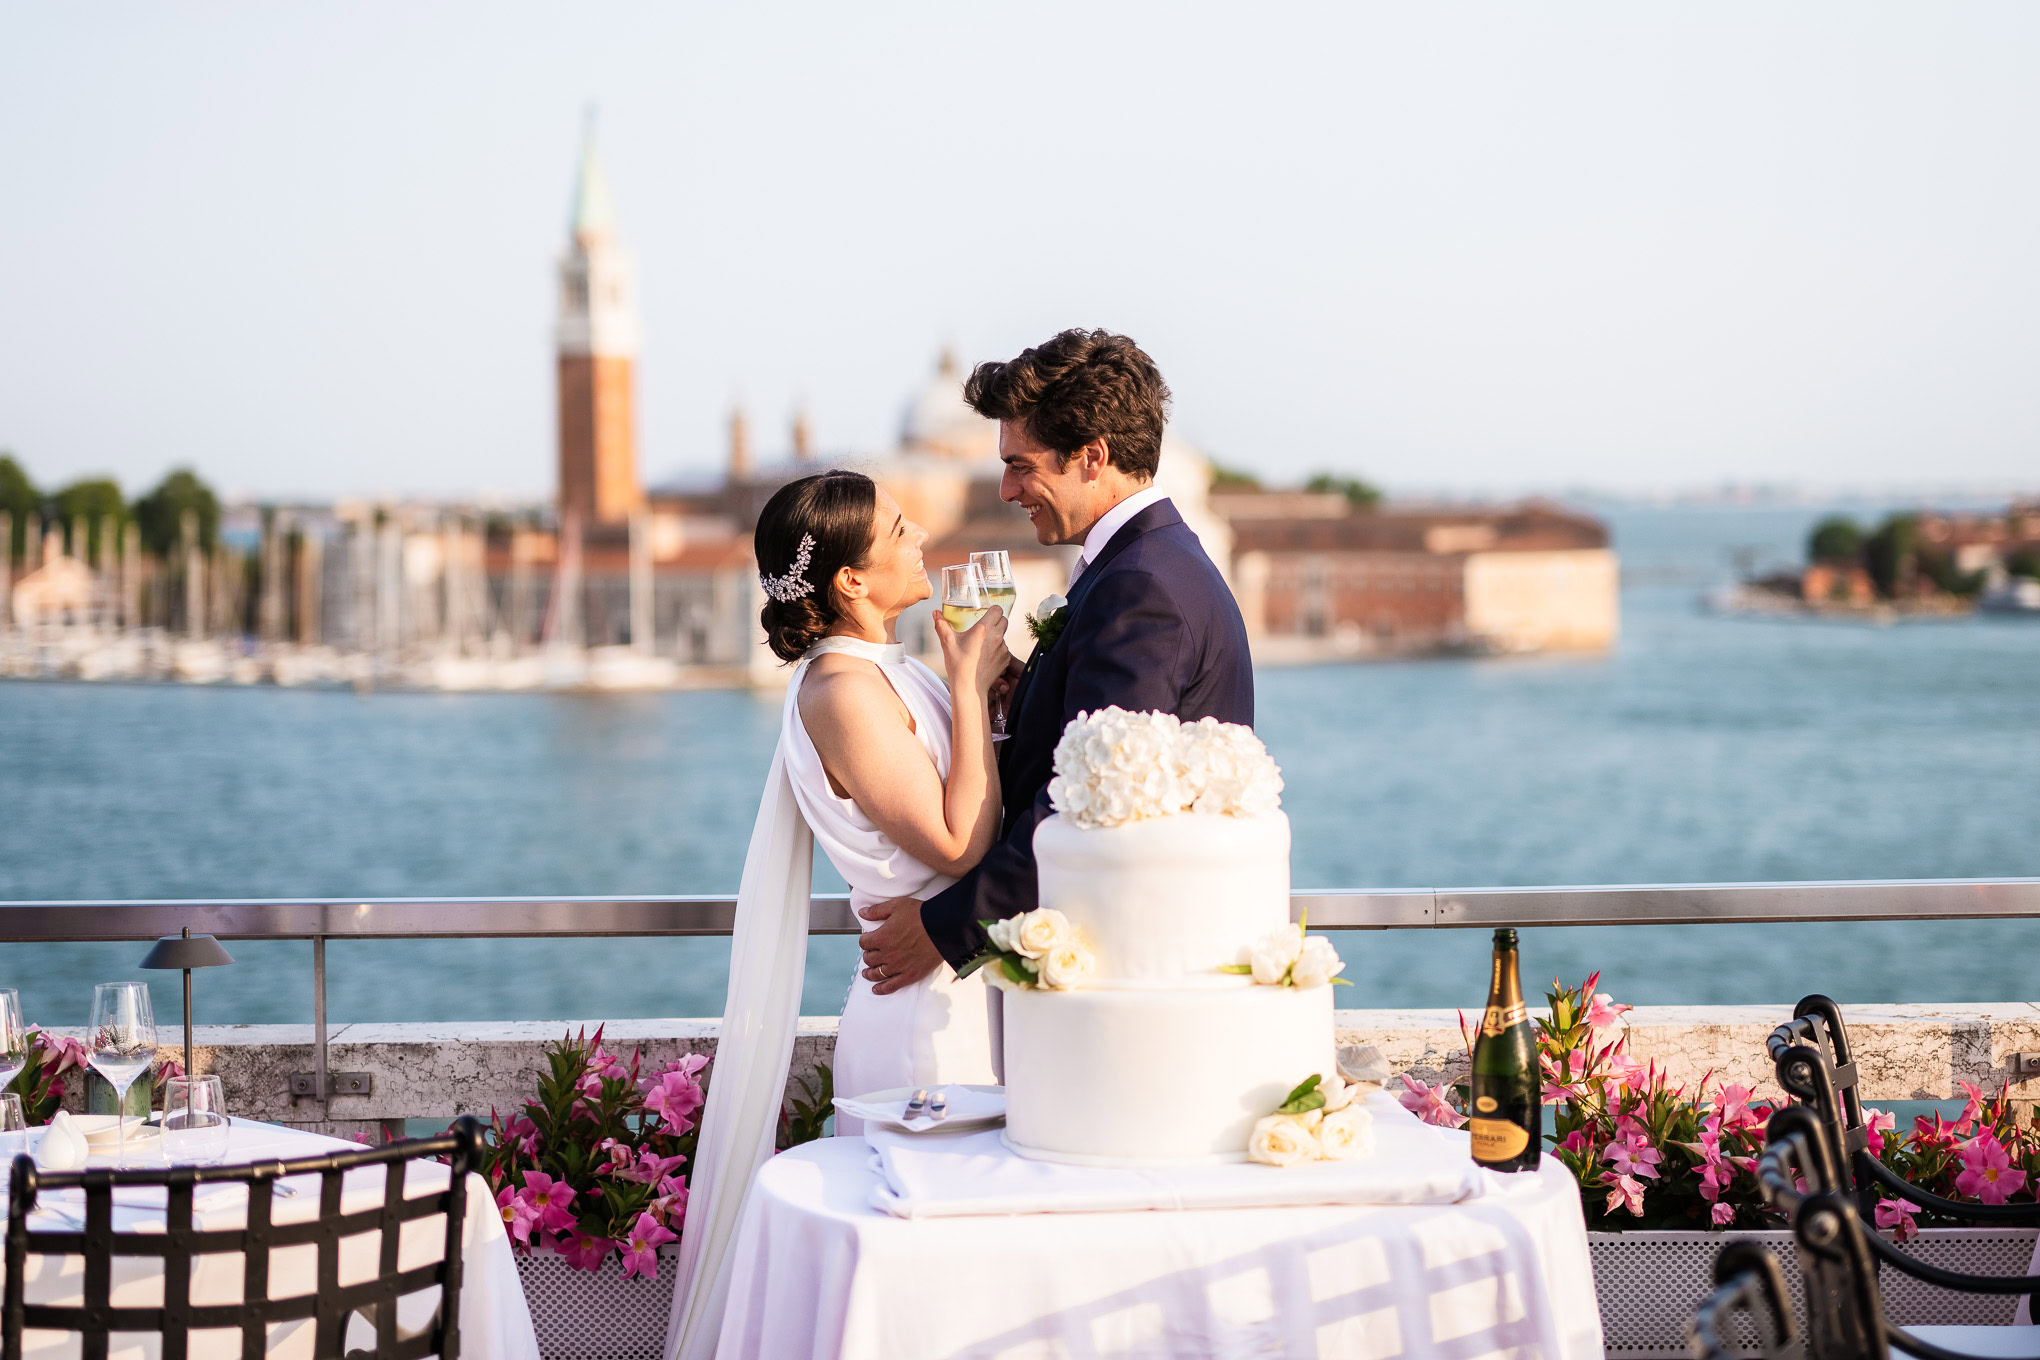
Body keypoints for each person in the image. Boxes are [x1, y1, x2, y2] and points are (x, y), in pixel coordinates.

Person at [666, 469, 1011, 1360]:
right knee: (923, 1277)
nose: (921, 534)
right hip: (921, 1017)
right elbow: (955, 840)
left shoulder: (884, 671)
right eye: (900, 529)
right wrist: (968, 685)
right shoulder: (841, 693)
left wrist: (987, 692)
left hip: (964, 980)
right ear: (852, 579)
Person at [856, 327, 1255, 995]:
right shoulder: (1145, 564)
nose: (1008, 490)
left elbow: (1092, 801)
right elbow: (1091, 746)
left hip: (1128, 967)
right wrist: (1031, 683)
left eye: (1022, 464)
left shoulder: (1140, 588)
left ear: (1091, 457)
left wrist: (945, 926)